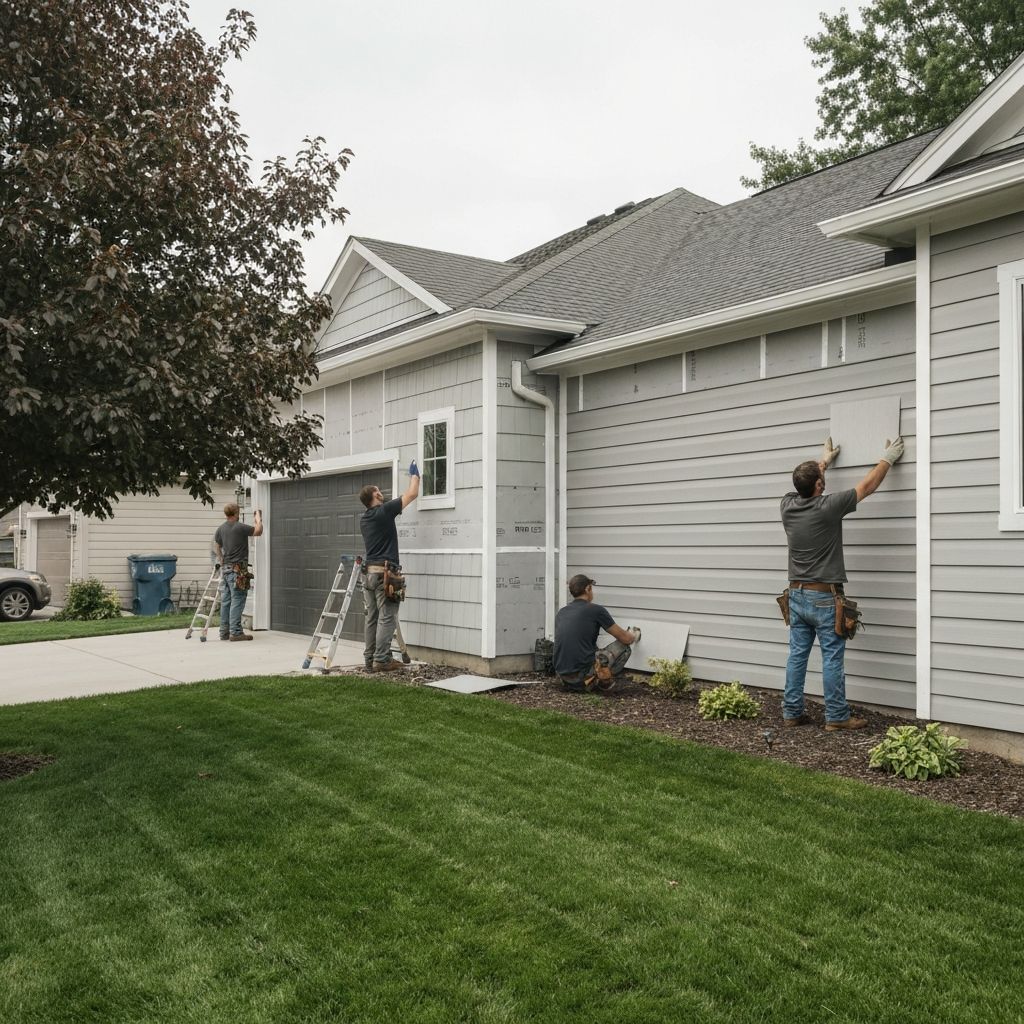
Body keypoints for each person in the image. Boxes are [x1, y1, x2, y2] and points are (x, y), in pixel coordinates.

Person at [781, 435, 904, 730]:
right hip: (825, 599)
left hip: (796, 596)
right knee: (832, 658)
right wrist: (888, 457)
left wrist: (823, 462)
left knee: (797, 656)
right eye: (820, 478)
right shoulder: (829, 507)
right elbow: (867, 487)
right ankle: (836, 716)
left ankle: (792, 712)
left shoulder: (786, 505)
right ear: (819, 486)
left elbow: (807, 483)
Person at [359, 461, 420, 671]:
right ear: (375, 495)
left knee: (372, 618)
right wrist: (415, 475)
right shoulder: (384, 511)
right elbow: (412, 494)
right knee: (387, 617)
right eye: (378, 490)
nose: (381, 492)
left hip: (368, 575)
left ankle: (369, 659)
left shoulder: (364, 519)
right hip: (384, 574)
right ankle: (382, 660)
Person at [553, 574, 639, 691]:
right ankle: (602, 682)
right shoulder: (596, 610)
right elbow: (626, 639)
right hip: (582, 680)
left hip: (562, 677)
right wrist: (633, 634)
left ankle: (584, 680)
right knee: (624, 648)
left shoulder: (562, 612)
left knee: (591, 647)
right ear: (588, 588)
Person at [214, 503, 263, 641]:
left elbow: (217, 545)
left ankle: (224, 632)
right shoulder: (239, 527)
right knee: (238, 599)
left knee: (226, 601)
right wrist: (258, 519)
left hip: (226, 569)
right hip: (238, 571)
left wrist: (221, 559)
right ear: (236, 513)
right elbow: (258, 531)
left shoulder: (221, 528)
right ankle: (235, 633)